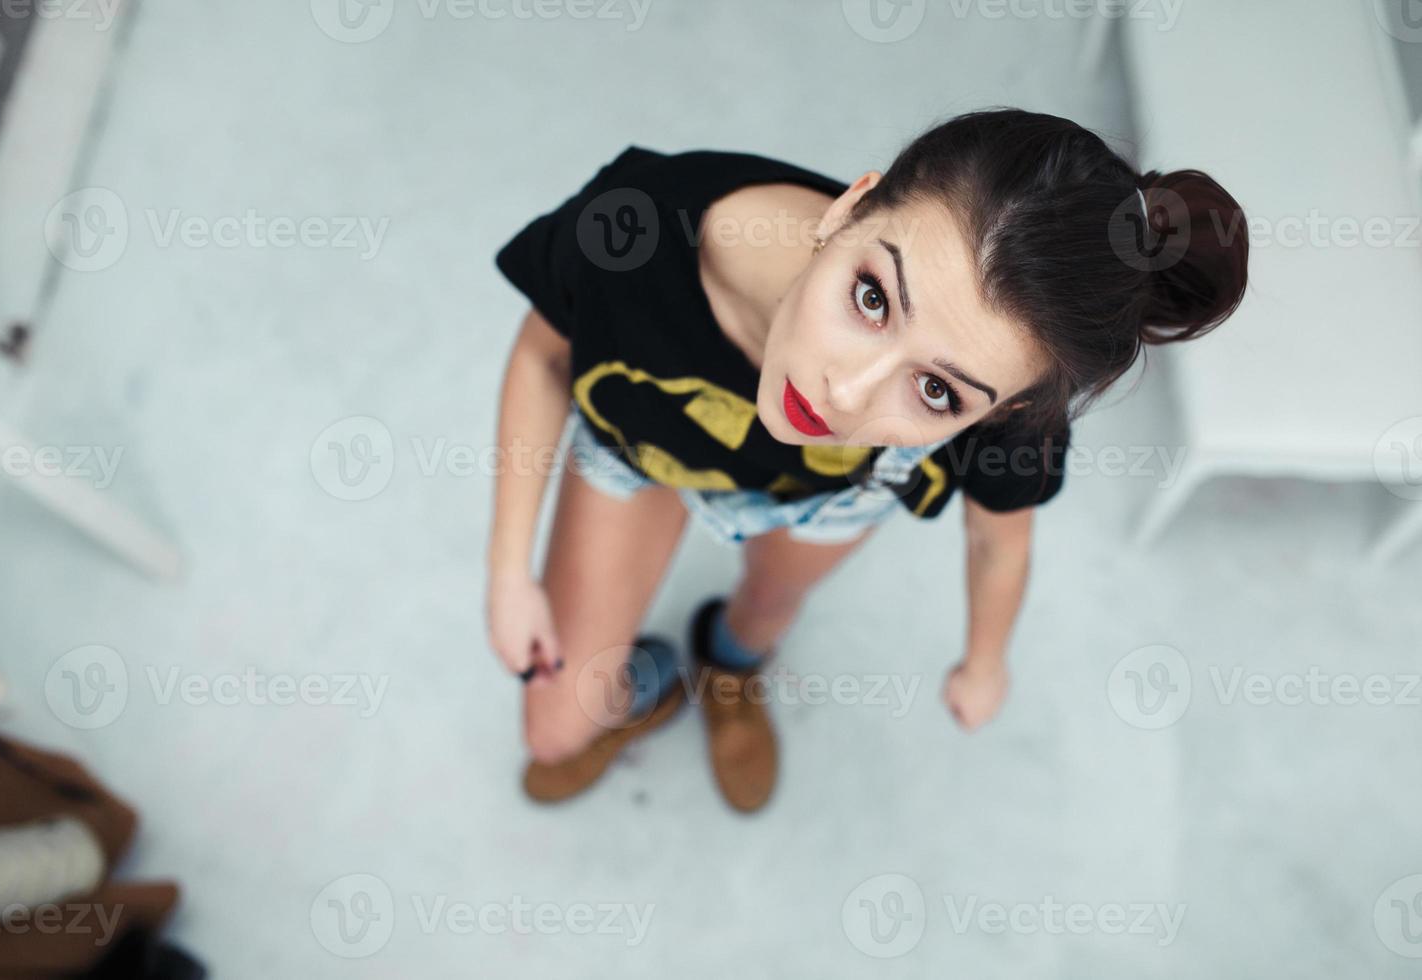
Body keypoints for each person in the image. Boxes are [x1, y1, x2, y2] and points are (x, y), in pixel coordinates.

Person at [485, 108, 1249, 813]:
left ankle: (727, 665)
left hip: (828, 494)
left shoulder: (1016, 417)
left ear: (1003, 411)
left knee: (767, 610)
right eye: (873, 298)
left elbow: (998, 542)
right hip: (645, 441)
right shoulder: (641, 226)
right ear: (850, 207)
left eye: (937, 391)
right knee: (555, 730)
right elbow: (543, 357)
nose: (843, 394)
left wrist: (985, 665)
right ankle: (644, 688)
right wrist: (508, 571)